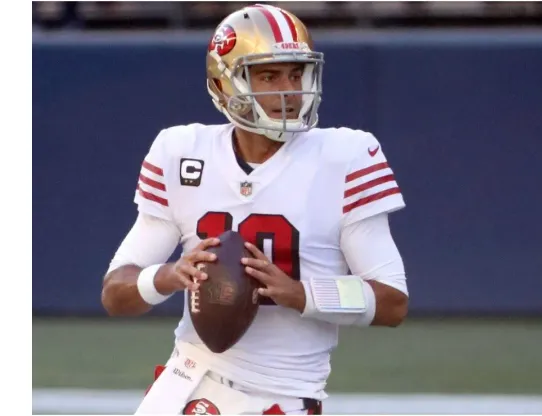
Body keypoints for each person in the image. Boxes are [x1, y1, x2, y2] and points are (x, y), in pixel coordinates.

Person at [100, 3, 409, 415]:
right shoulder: (180, 151)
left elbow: (392, 302)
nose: (289, 90)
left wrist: (302, 294)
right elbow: (116, 293)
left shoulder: (346, 156)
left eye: (296, 73)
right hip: (185, 382)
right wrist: (170, 275)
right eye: (269, 75)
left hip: (278, 395)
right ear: (224, 83)